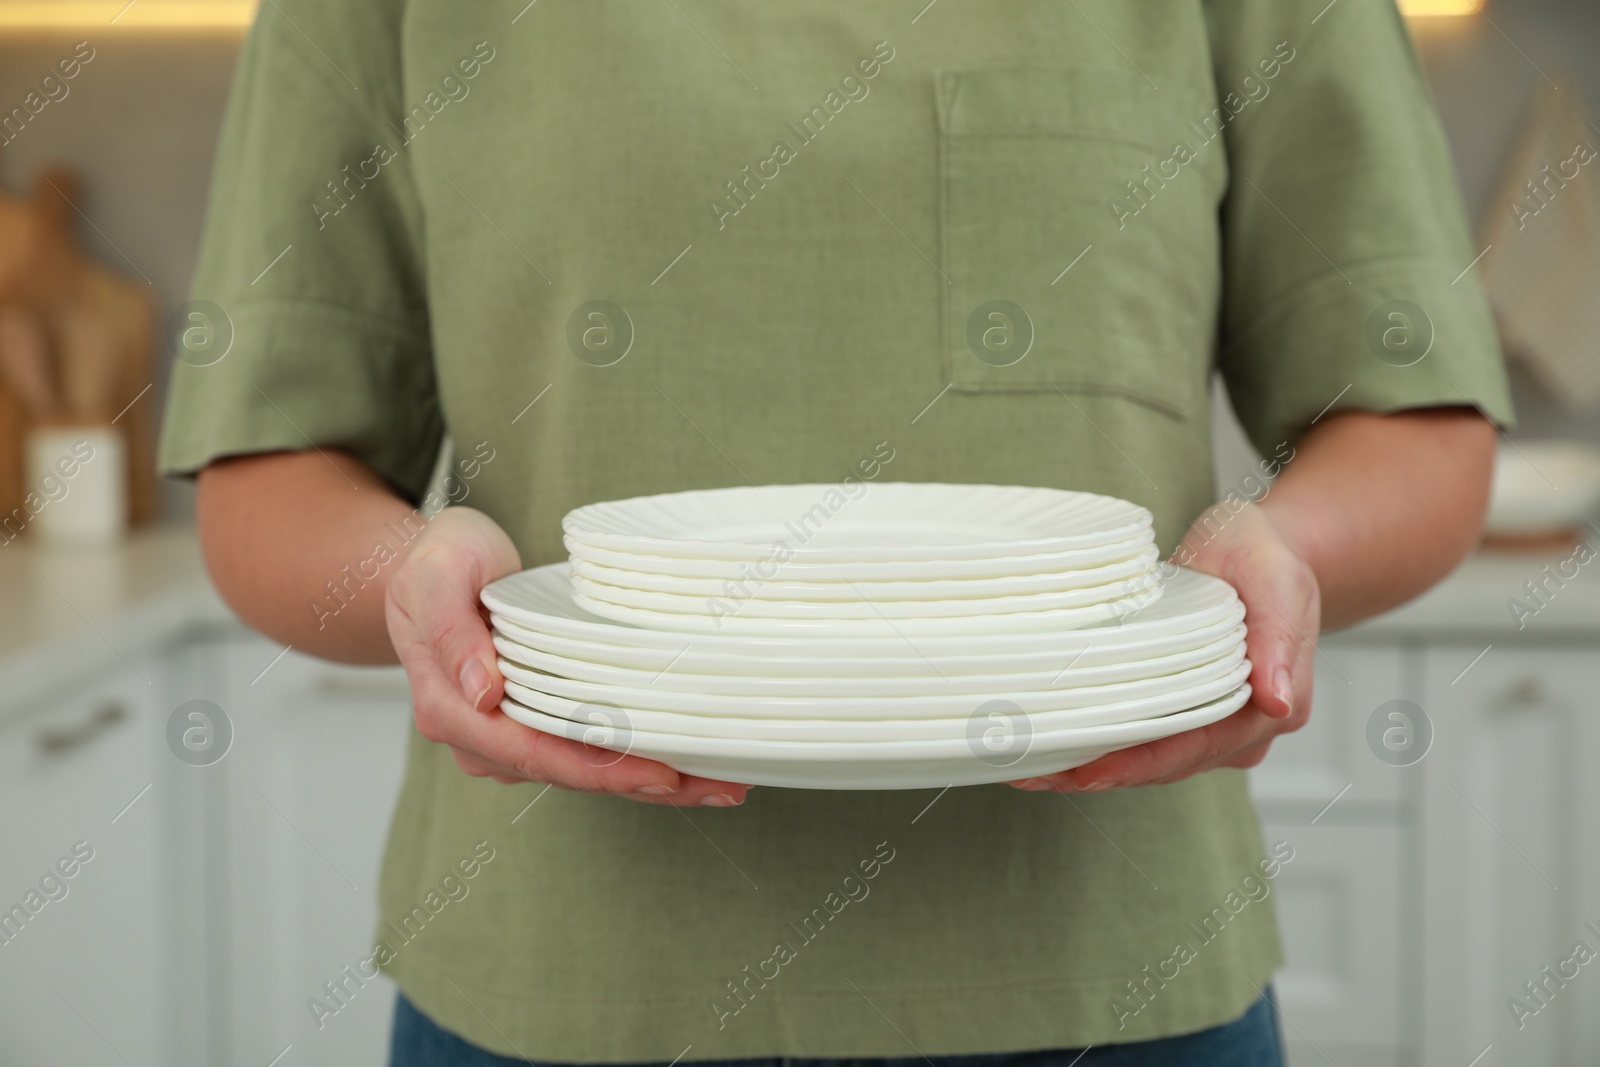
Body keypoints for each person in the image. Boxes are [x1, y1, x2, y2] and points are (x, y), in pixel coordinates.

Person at [160, 1, 1511, 1064]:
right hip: (564, 999)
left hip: (1115, 982)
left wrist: (1282, 558)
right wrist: (409, 575)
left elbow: (1418, 424)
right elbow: (269, 476)